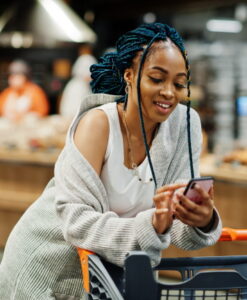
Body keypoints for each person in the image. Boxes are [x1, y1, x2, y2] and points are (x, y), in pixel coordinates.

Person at [0, 23, 222, 300]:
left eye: (179, 83)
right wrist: (152, 225)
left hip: (107, 274)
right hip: (48, 264)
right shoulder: (98, 124)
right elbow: (76, 222)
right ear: (129, 76)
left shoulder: (184, 126)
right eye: (156, 78)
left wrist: (201, 221)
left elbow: (172, 226)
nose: (169, 92)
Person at [59, 43, 97, 118]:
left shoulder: (87, 58)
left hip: (78, 86)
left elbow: (89, 76)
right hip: (80, 87)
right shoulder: (85, 58)